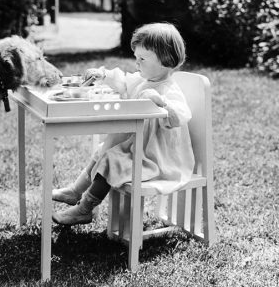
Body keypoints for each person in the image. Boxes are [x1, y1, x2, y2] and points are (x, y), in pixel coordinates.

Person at [52, 22, 195, 225]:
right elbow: (123, 80)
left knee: (111, 160)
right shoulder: (142, 80)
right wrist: (104, 75)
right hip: (137, 148)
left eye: (142, 59)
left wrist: (161, 102)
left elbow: (181, 115)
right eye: (136, 58)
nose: (137, 63)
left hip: (157, 159)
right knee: (103, 150)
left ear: (166, 59)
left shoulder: (168, 90)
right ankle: (76, 191)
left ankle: (84, 209)